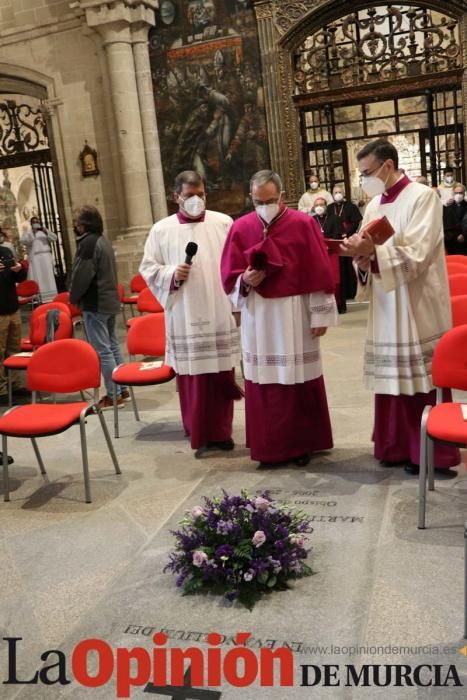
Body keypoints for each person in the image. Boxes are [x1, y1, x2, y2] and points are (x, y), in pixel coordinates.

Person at [341, 139, 460, 476]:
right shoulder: (374, 204)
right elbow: (368, 252)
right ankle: (393, 446)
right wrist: (361, 259)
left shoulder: (423, 197)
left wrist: (375, 253)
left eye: (367, 172)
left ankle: (430, 454)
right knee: (390, 377)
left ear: (388, 166)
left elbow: (420, 252)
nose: (364, 180)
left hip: (416, 299)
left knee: (421, 379)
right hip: (385, 300)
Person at [221, 169, 338, 468]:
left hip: (295, 313)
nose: (265, 205)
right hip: (258, 316)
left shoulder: (303, 223)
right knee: (264, 380)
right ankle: (269, 447)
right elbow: (229, 276)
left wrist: (320, 313)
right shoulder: (240, 227)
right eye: (259, 201)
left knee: (298, 377)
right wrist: (245, 280)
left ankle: (302, 444)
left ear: (282, 196)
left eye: (271, 200)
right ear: (251, 197)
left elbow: (318, 270)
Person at [139, 170, 242, 457]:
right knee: (193, 377)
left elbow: (235, 266)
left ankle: (222, 432)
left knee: (221, 373)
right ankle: (197, 430)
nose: (196, 200)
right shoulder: (161, 229)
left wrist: (236, 307)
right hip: (184, 310)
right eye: (189, 196)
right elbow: (148, 268)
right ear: (176, 197)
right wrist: (172, 273)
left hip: (218, 307)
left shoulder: (224, 223)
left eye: (201, 195)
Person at [69, 205, 129, 411]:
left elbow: (81, 275)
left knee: (103, 351)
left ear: (83, 224)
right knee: (112, 346)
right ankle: (122, 389)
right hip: (109, 301)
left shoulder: (88, 243)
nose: (74, 226)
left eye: (76, 222)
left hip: (95, 303)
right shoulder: (103, 240)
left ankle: (113, 396)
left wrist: (73, 296)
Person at [0, 243, 27, 414]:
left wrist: (19, 270)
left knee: (14, 349)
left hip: (13, 307)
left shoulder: (5, 251)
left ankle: (15, 383)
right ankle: (1, 389)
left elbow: (21, 278)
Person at [328, 185, 363, 302]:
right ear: (332, 194)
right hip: (335, 240)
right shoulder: (329, 208)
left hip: (349, 239)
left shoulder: (351, 207)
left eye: (339, 192)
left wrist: (346, 233)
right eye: (335, 192)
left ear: (343, 194)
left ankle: (351, 291)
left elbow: (355, 222)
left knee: (349, 266)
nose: (337, 194)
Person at [311, 196, 346, 313]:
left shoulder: (334, 219)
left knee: (335, 279)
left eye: (321, 205)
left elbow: (338, 234)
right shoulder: (311, 220)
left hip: (332, 253)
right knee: (320, 279)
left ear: (326, 206)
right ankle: (323, 306)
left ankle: (338, 305)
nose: (319, 207)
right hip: (317, 254)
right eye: (316, 205)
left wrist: (329, 244)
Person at [20, 216, 58, 302]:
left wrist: (46, 231)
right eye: (34, 222)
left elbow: (54, 238)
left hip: (46, 257)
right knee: (38, 277)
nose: (36, 224)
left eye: (37, 222)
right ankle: (39, 297)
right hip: (36, 258)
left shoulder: (44, 231)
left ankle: (52, 297)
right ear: (31, 224)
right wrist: (32, 233)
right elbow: (23, 241)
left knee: (48, 276)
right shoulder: (28, 232)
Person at [442, 183, 467, 255]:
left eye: (460, 193)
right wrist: (456, 236)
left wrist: (464, 236)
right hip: (452, 244)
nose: (458, 195)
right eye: (456, 193)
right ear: (453, 194)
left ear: (464, 194)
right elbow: (445, 227)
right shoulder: (447, 209)